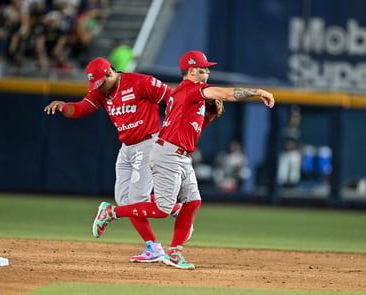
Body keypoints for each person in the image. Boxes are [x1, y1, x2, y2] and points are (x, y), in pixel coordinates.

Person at [91, 50, 275, 270]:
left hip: (180, 154)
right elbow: (226, 94)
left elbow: (191, 132)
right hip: (168, 154)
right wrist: (257, 91)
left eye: (207, 69)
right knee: (163, 208)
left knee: (193, 202)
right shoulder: (191, 89)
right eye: (201, 69)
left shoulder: (190, 96)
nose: (206, 73)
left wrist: (209, 116)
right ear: (190, 71)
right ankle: (111, 212)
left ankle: (175, 253)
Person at [44, 57, 182, 263]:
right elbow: (82, 108)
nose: (98, 88)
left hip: (148, 144)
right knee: (124, 199)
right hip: (126, 147)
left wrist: (172, 132)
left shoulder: (141, 82)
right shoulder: (102, 91)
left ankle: (148, 241)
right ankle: (171, 213)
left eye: (100, 83)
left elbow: (173, 98)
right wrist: (64, 106)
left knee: (135, 200)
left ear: (110, 73)